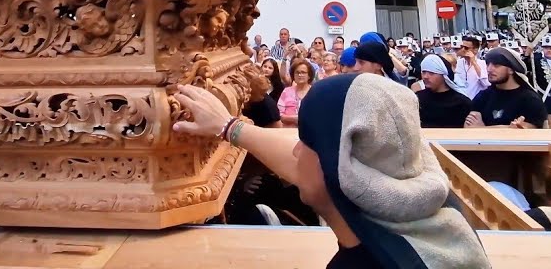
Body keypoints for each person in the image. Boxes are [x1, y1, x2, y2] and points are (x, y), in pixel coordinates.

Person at [172, 76, 492, 269]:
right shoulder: (430, 215)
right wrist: (229, 127)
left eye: (306, 141)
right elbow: (313, 168)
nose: (295, 150)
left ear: (336, 168)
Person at [465, 48, 548, 129]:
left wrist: (482, 129)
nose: (489, 69)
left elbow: (529, 130)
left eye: (496, 65)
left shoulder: (530, 99)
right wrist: (506, 128)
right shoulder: (483, 96)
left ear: (511, 70)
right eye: (488, 64)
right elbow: (469, 127)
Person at [415, 54, 473, 129]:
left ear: (444, 75)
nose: (425, 76)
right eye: (424, 72)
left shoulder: (462, 103)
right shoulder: (417, 99)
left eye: (431, 73)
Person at [278, 59, 316, 127]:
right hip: (288, 132)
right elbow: (279, 114)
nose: (300, 75)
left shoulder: (315, 92)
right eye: (297, 72)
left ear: (309, 75)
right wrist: (295, 119)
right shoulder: (286, 91)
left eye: (303, 72)